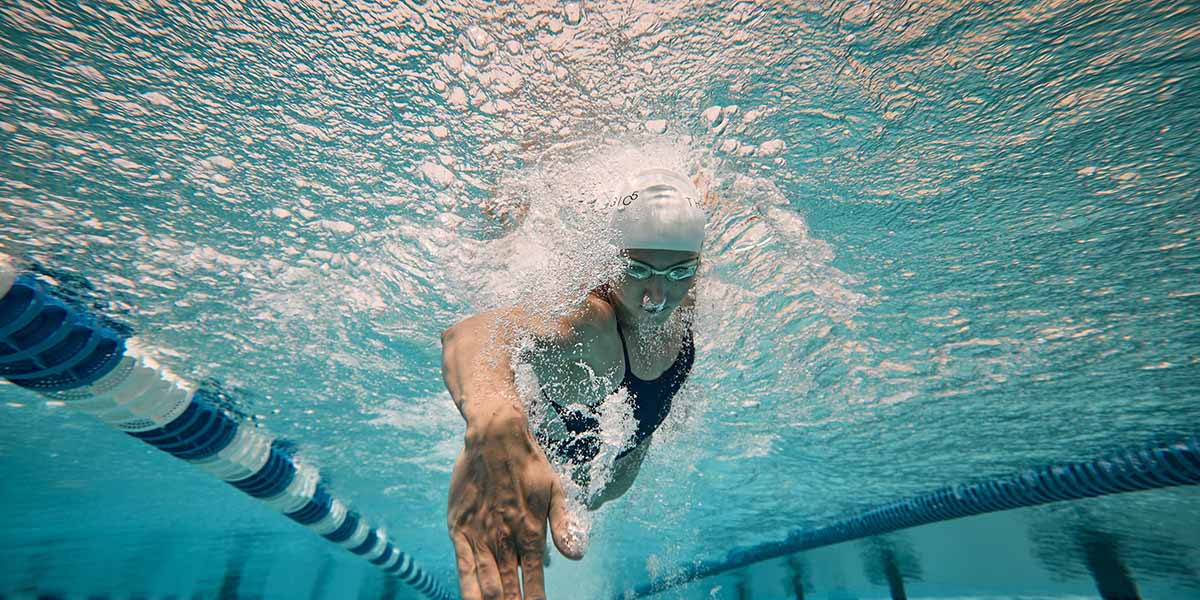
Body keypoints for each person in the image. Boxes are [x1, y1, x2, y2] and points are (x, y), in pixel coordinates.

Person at [440, 168, 706, 600]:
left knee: (587, 502)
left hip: (604, 476)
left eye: (679, 272)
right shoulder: (592, 324)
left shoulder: (685, 295)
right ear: (611, 259)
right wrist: (493, 419)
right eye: (637, 270)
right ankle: (534, 509)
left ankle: (547, 512)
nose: (657, 296)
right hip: (558, 461)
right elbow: (473, 334)